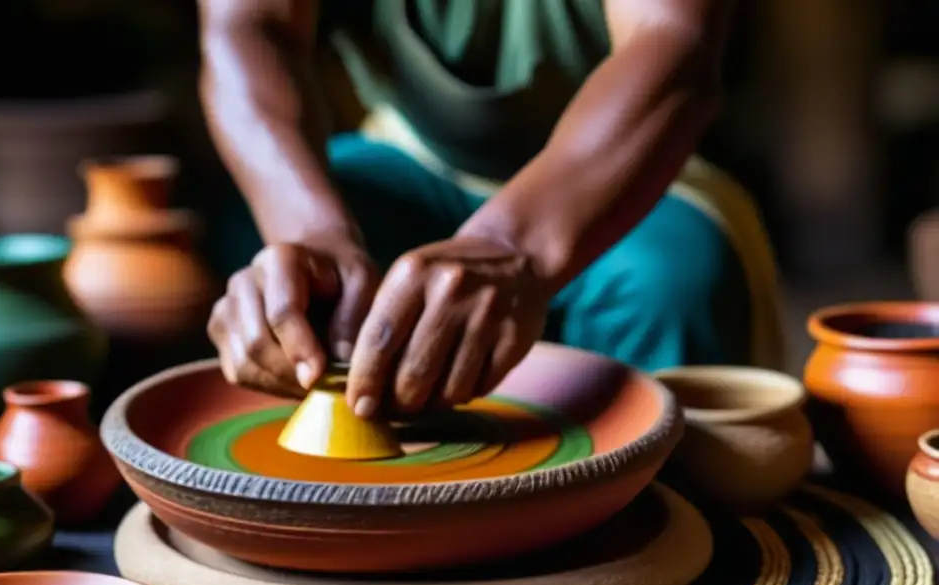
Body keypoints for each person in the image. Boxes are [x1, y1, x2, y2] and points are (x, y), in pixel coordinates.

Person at [199, 0, 785, 420]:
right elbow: (249, 24)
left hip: (632, 167)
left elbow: (674, 41)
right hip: (413, 151)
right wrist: (313, 232)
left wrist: (513, 246)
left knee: (670, 283)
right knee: (274, 275)